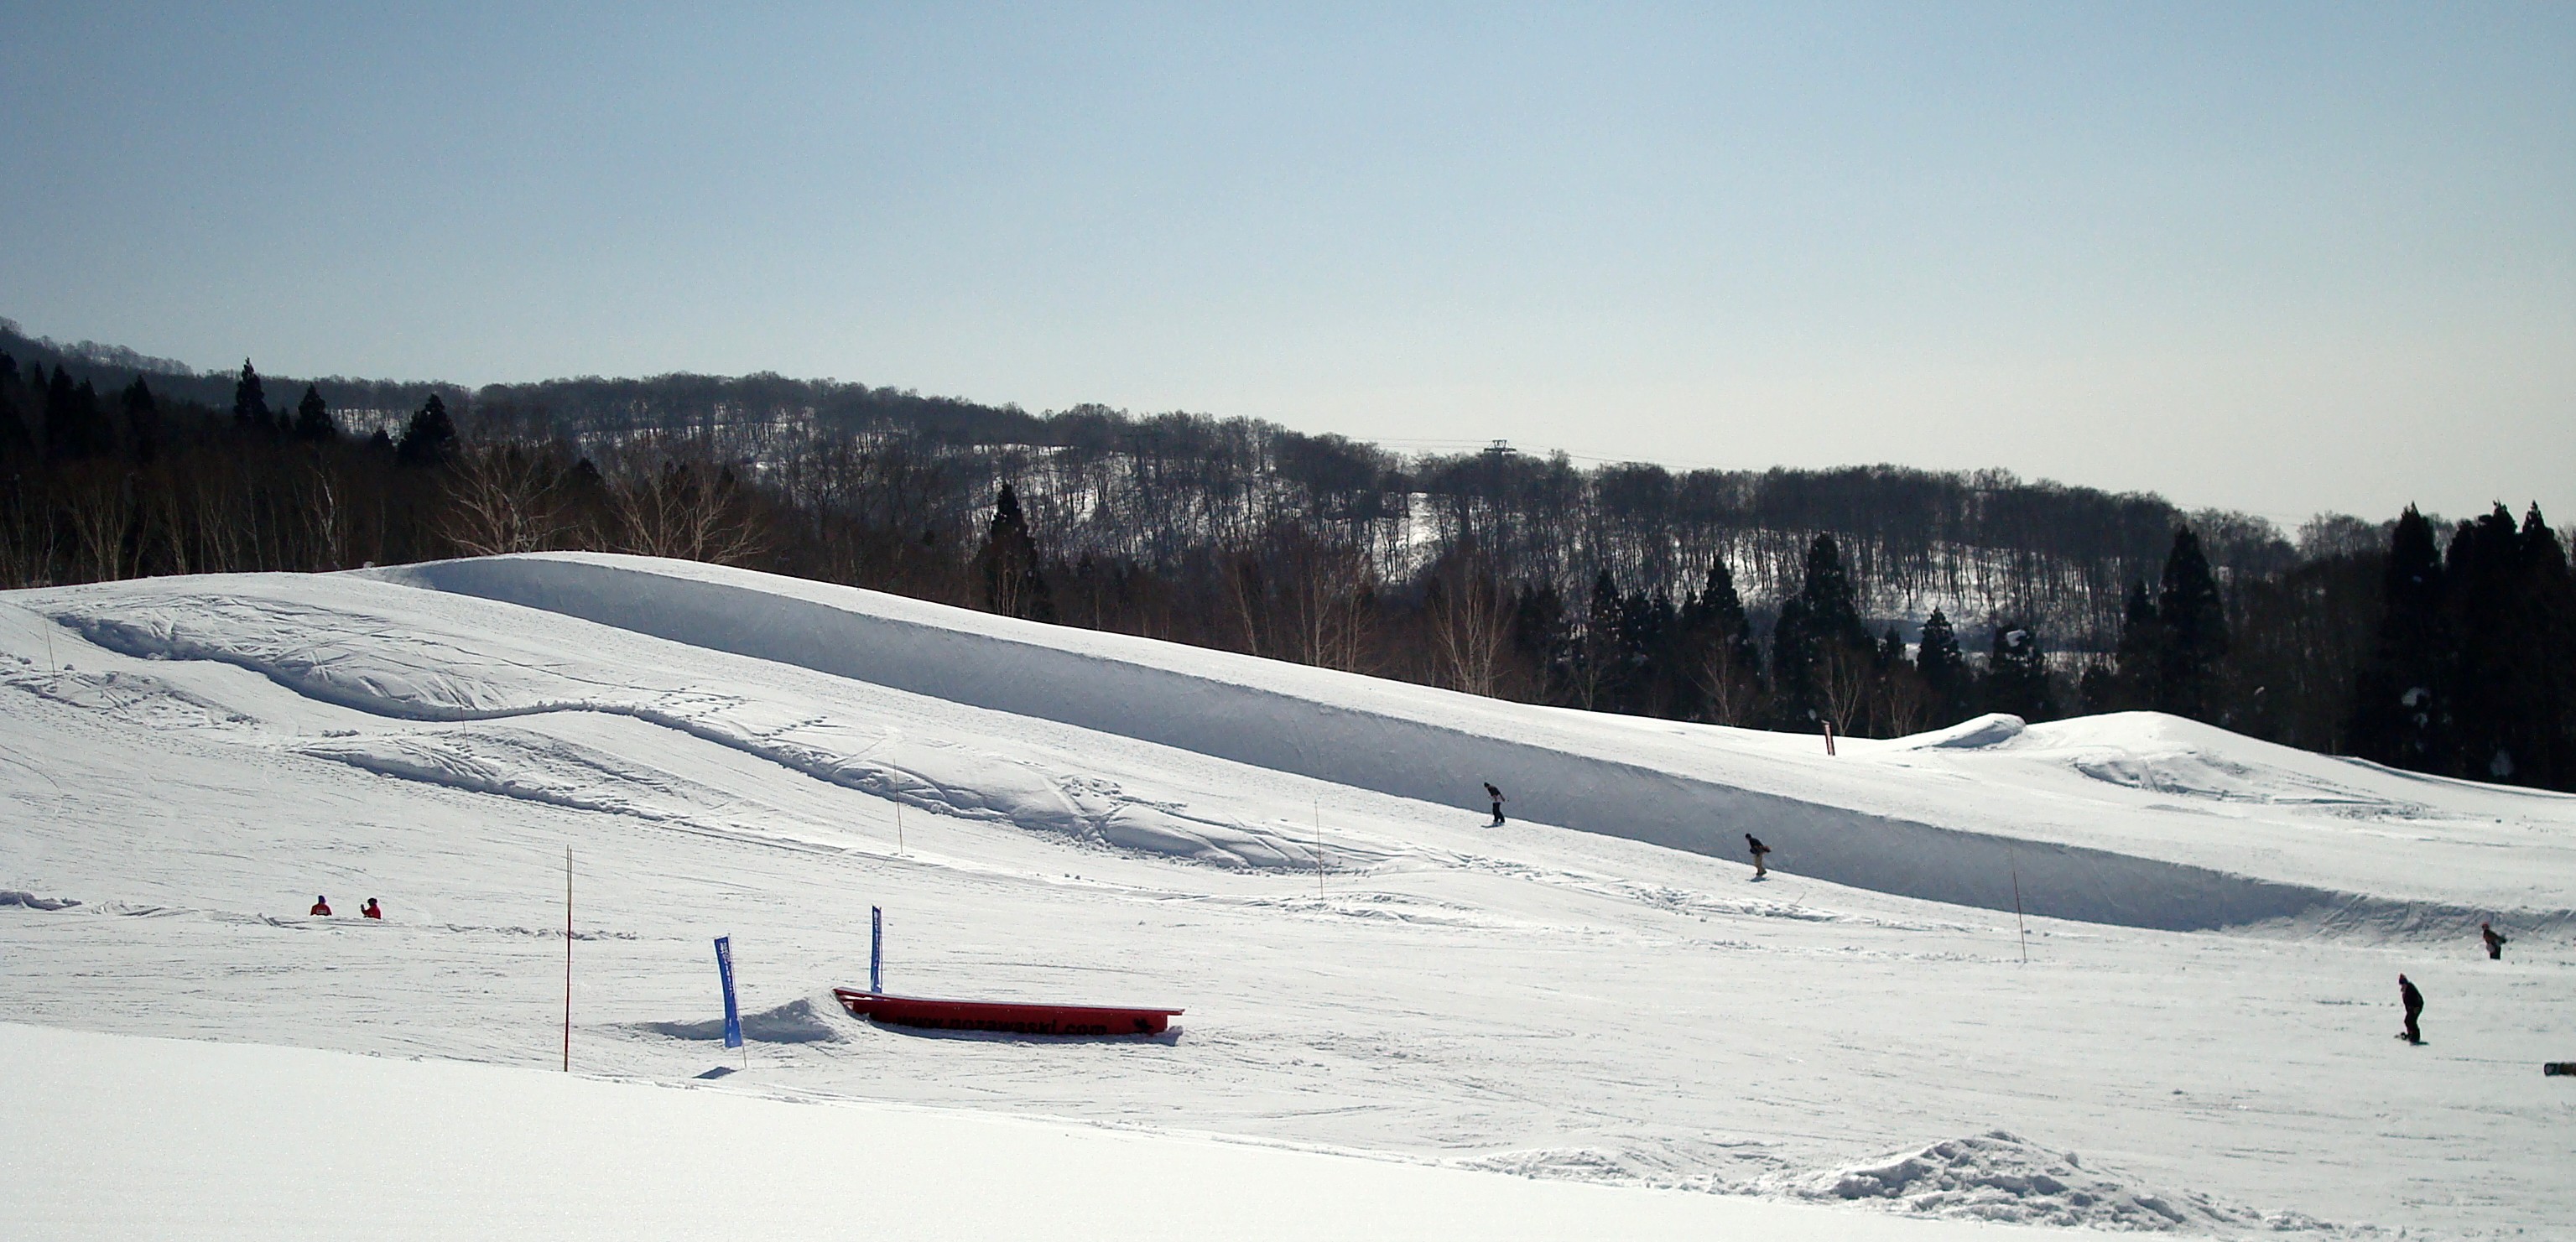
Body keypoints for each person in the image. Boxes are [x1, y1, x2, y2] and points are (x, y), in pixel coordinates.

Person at [2397, 974, 2424, 1045]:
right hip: (2411, 1009)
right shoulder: (2405, 990)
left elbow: (2418, 999)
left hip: (2416, 1007)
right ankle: (2410, 1034)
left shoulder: (2411, 989)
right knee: (2408, 1021)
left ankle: (2415, 1037)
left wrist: (2416, 1008)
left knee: (2412, 1021)